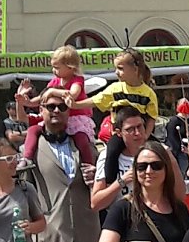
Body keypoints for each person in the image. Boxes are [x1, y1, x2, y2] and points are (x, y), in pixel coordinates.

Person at [26, 92, 101, 242]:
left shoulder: (83, 143)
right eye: (50, 107)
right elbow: (24, 187)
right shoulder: (32, 146)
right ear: (42, 110)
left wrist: (95, 173)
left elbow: (102, 178)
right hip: (52, 233)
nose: (56, 111)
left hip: (85, 231)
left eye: (62, 107)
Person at [66, 48, 158, 189]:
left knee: (159, 152)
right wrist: (75, 104)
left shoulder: (148, 93)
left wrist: (145, 135)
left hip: (141, 133)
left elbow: (152, 117)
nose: (116, 72)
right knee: (111, 151)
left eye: (120, 68)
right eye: (116, 68)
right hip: (120, 134)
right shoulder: (115, 88)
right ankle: (109, 182)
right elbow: (97, 100)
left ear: (135, 69)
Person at [92, 107, 186, 214]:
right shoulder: (108, 156)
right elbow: (96, 204)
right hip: (123, 219)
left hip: (155, 217)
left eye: (140, 127)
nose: (137, 133)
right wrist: (122, 181)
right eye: (130, 129)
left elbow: (180, 196)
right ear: (119, 133)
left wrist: (171, 161)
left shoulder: (160, 153)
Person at [19, 46, 95, 166]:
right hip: (58, 118)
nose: (54, 70)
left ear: (70, 67)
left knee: (81, 139)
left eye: (57, 67)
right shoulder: (55, 82)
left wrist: (53, 92)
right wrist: (27, 102)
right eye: (53, 67)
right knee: (33, 130)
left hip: (75, 118)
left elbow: (72, 95)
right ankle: (27, 157)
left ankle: (88, 164)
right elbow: (42, 97)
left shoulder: (77, 80)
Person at [165, 98, 189, 178]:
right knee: (182, 173)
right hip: (181, 153)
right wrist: (180, 148)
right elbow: (171, 138)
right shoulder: (173, 121)